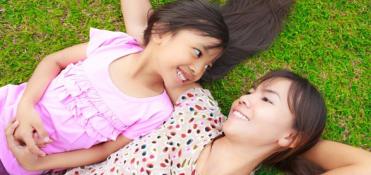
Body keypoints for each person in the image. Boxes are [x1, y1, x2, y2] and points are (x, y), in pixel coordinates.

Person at [0, 0, 231, 174]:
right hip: (8, 111)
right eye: (197, 52)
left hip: (24, 162)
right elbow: (54, 61)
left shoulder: (157, 111)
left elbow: (102, 151)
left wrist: (40, 163)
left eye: (207, 66)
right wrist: (26, 106)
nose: (198, 69)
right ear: (161, 32)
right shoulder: (115, 45)